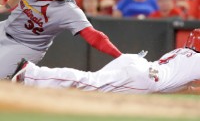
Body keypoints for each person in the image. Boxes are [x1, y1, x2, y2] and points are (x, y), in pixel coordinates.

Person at [0, 0, 122, 80]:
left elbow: (94, 36)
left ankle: (22, 78)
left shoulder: (69, 10)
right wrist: (7, 6)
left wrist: (120, 56)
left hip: (27, 46)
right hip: (5, 28)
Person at [12, 29, 200, 94]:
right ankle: (31, 74)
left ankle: (34, 83)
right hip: (146, 77)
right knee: (89, 83)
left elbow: (181, 86)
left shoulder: (182, 53)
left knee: (90, 84)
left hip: (137, 63)